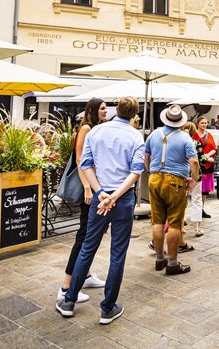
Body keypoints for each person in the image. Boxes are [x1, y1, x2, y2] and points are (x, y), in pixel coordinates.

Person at [56, 97, 145, 325]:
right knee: (117, 253)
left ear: (117, 111)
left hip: (101, 197)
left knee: (88, 247)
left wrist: (100, 193)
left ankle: (69, 300)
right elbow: (136, 172)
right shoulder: (135, 135)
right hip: (122, 199)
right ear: (134, 114)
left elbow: (84, 164)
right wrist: (114, 196)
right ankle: (107, 308)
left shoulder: (96, 132)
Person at [57, 98, 107, 304]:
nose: (106, 111)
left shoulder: (95, 128)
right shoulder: (86, 128)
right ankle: (66, 287)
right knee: (84, 236)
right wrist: (88, 187)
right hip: (88, 188)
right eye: (103, 108)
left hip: (94, 186)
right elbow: (79, 159)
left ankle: (85, 274)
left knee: (90, 233)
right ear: (94, 110)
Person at [145, 104, 199, 275]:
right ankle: (173, 263)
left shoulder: (154, 134)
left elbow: (146, 157)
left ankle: (159, 259)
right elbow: (194, 162)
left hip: (154, 178)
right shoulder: (184, 137)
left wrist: (150, 171)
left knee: (158, 221)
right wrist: (194, 179)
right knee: (175, 223)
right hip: (175, 180)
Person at [183, 121, 204, 237]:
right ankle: (197, 228)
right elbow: (200, 159)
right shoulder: (197, 143)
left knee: (182, 200)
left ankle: (181, 224)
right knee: (197, 200)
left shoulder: (179, 142)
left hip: (183, 174)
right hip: (196, 175)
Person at [193, 116, 217, 218]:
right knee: (196, 189)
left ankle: (202, 209)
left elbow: (214, 148)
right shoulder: (194, 135)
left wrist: (207, 155)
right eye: (202, 123)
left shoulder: (209, 135)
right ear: (197, 123)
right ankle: (196, 210)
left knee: (204, 190)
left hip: (208, 165)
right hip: (198, 165)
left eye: (206, 123)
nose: (204, 125)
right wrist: (205, 157)